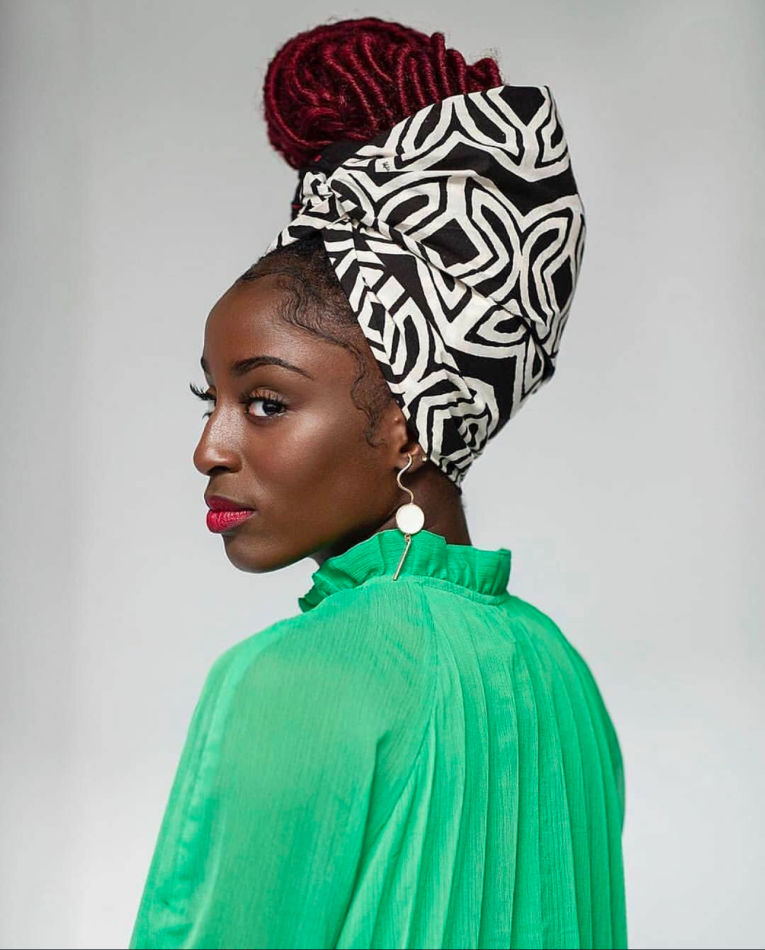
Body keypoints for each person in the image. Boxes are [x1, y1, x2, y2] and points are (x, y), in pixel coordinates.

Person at [129, 17, 627, 950]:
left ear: (405, 417)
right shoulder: (562, 677)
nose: (209, 449)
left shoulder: (286, 680)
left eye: (265, 402)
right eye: (211, 399)